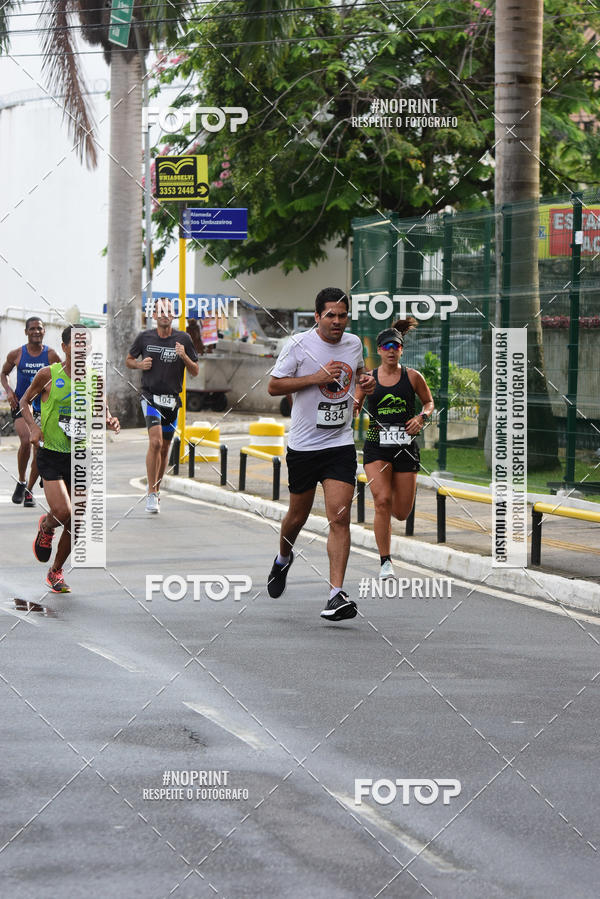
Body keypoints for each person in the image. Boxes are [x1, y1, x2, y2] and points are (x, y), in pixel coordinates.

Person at [267, 287, 375, 621]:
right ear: (317, 316)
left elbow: (359, 375)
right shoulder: (299, 344)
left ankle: (335, 594)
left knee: (339, 516)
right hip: (303, 446)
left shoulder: (354, 344)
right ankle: (283, 558)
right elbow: (274, 386)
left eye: (343, 315)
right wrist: (315, 378)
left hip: (339, 444)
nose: (338, 321)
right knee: (296, 517)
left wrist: (364, 386)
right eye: (331, 315)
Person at [20, 325, 120, 593]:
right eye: (75, 344)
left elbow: (101, 410)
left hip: (80, 455)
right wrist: (33, 427)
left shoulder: (95, 379)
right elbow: (24, 402)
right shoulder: (48, 375)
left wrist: (109, 420)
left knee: (77, 518)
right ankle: (47, 526)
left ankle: (55, 572)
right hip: (51, 453)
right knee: (63, 512)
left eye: (85, 344)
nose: (81, 349)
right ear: (64, 347)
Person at [354, 319, 434, 579]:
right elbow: (356, 401)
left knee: (400, 512)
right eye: (386, 346)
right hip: (377, 446)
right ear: (378, 350)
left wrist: (421, 418)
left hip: (405, 448)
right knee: (382, 501)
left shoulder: (412, 377)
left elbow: (429, 403)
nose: (391, 350)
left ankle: (397, 499)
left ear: (401, 350)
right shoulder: (369, 378)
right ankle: (385, 561)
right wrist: (354, 406)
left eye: (396, 346)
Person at [126, 298, 199, 513]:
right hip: (150, 396)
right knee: (156, 443)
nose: (165, 314)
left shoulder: (183, 338)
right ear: (154, 315)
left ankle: (156, 491)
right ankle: (150, 492)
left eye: (169, 310)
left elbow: (195, 371)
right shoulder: (145, 337)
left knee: (166, 447)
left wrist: (184, 355)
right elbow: (129, 359)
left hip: (172, 399)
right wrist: (139, 364)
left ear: (173, 315)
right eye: (161, 311)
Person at [1, 317, 60, 506]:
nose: (36, 331)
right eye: (32, 329)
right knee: (26, 440)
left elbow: (63, 376)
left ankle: (29, 490)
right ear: (26, 332)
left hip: (43, 408)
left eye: (39, 328)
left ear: (44, 331)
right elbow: (3, 373)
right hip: (21, 404)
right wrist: (9, 392)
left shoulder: (51, 355)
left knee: (38, 448)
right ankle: (22, 479)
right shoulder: (17, 354)